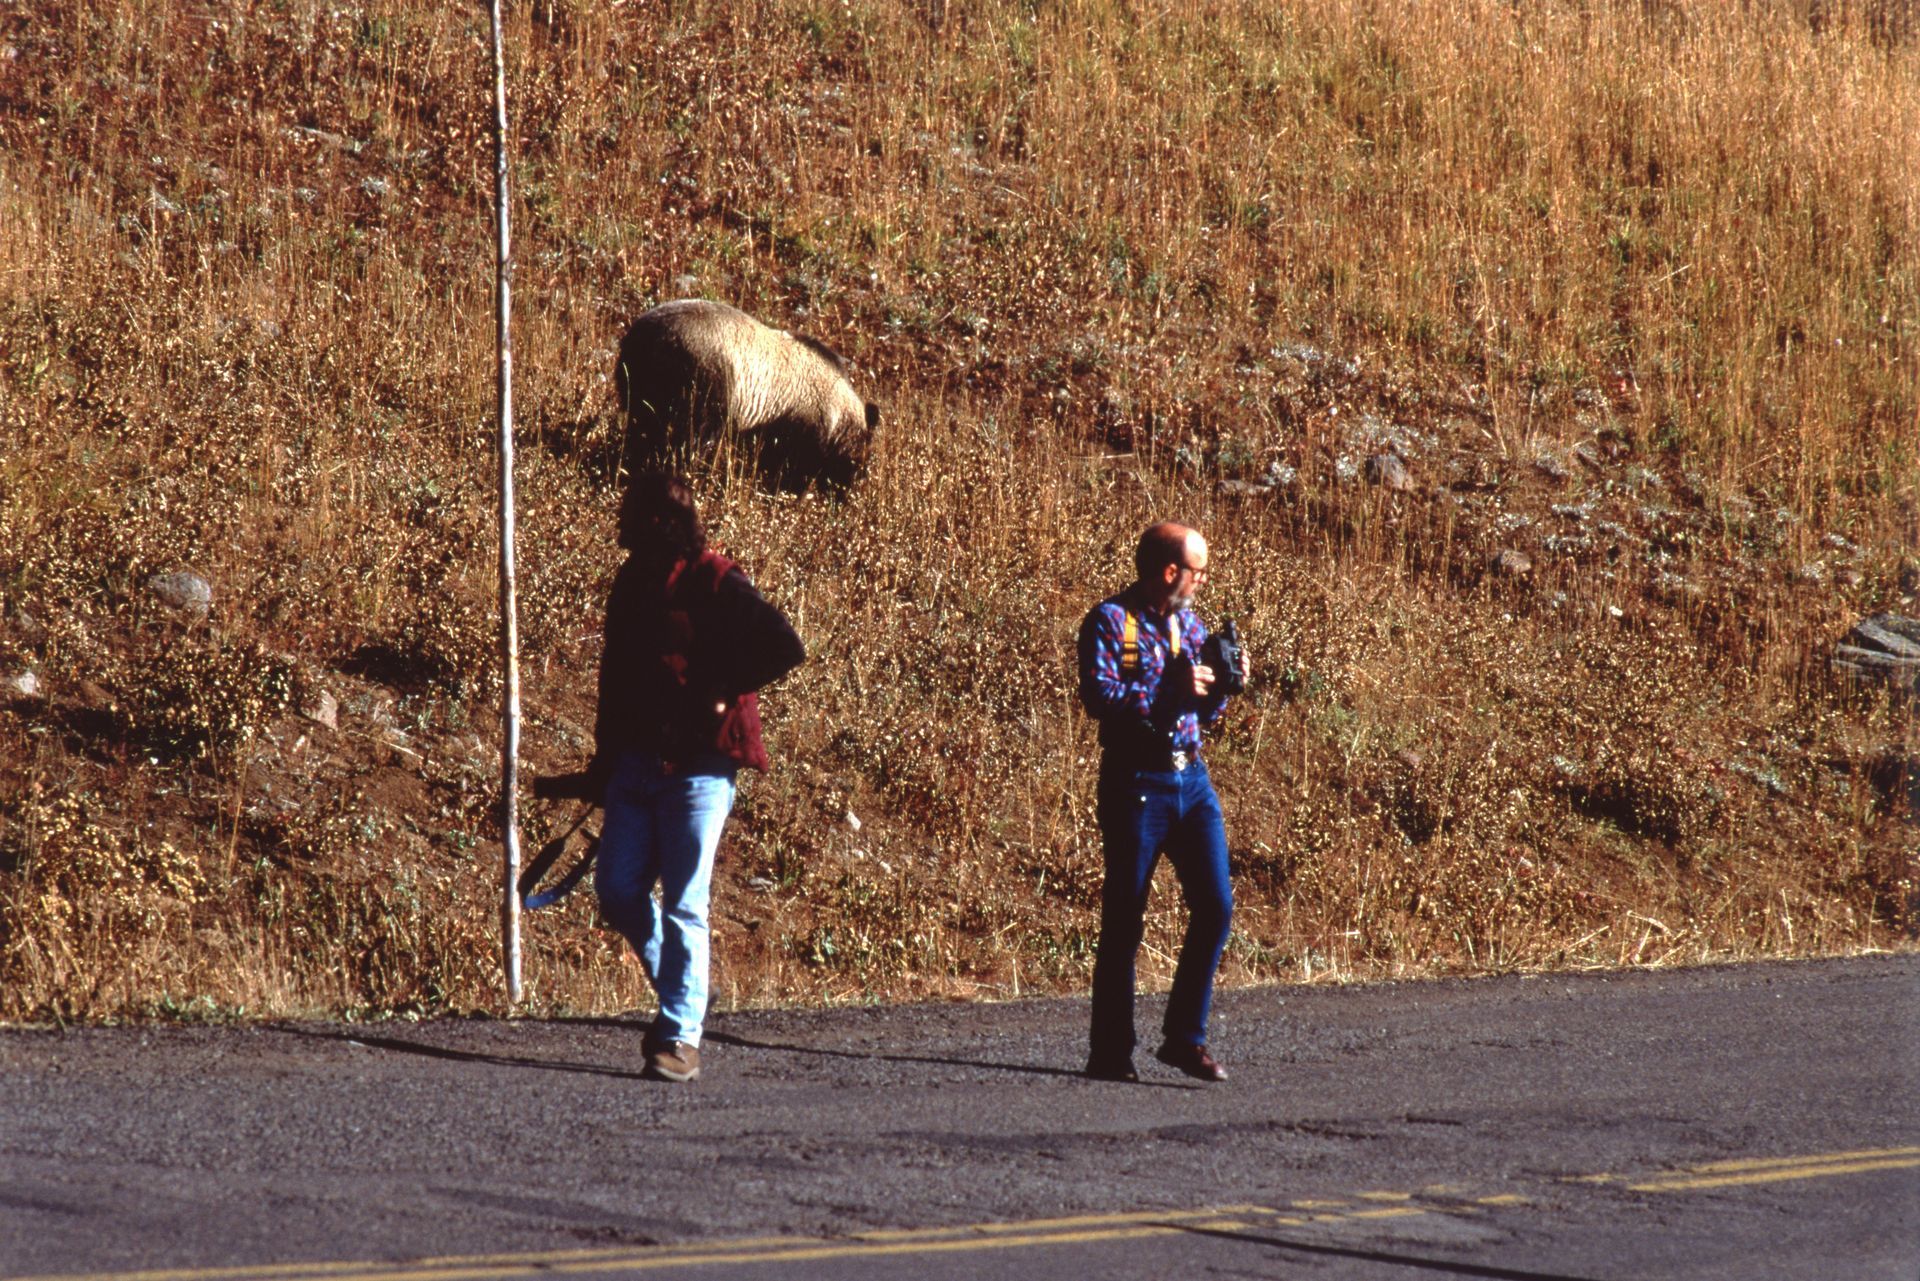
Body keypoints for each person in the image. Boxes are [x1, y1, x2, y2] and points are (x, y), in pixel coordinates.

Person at [575, 472, 804, 1082]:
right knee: (618, 890)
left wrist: (720, 691)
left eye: (631, 512)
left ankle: (679, 1036)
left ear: (659, 522)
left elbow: (784, 644)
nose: (620, 521)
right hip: (636, 763)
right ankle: (688, 991)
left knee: (684, 904)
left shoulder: (717, 579)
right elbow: (613, 677)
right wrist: (605, 757)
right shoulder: (631, 583)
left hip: (700, 768)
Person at [1077, 521, 1243, 1083]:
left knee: (1216, 905)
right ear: (1171, 571)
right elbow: (1099, 697)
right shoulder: (1110, 621)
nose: (1202, 582)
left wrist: (1220, 687)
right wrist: (1165, 689)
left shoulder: (1193, 626)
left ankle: (1183, 1038)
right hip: (1135, 783)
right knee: (1125, 918)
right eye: (1197, 571)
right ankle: (1109, 1052)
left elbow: (1202, 711)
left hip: (1191, 781)